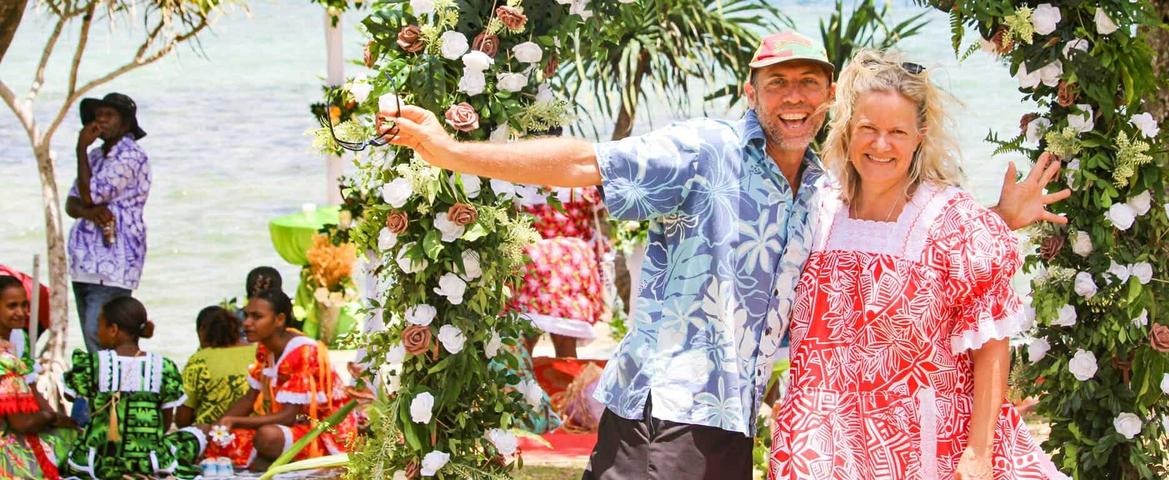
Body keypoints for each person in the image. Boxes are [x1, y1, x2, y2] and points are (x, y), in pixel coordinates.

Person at [383, 31, 1068, 480]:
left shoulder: (821, 193)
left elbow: (920, 262)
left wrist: (997, 224)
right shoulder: (705, 152)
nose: (793, 97)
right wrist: (455, 153)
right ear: (751, 90)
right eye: (777, 83)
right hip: (666, 417)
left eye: (808, 83)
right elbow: (585, 163)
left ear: (828, 97)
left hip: (737, 427)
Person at [769, 50, 1064, 479]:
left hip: (924, 450)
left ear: (920, 136)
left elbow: (992, 344)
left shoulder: (952, 217)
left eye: (897, 131)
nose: (881, 144)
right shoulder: (815, 209)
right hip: (823, 448)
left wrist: (979, 454)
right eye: (868, 129)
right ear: (848, 130)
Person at [212, 289, 356, 470]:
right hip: (294, 428)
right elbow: (250, 398)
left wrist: (234, 421)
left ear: (279, 320)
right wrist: (220, 424)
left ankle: (266, 466)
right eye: (246, 315)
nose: (247, 323)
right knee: (215, 436)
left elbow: (289, 416)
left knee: (267, 437)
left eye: (256, 317)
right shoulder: (265, 349)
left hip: (323, 433)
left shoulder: (303, 352)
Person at [62, 296, 203, 479]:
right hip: (149, 463)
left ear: (113, 330)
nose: (97, 332)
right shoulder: (164, 366)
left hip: (97, 463)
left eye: (100, 325)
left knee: (63, 440)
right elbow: (166, 424)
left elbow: (70, 395)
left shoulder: (91, 364)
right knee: (194, 436)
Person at [64, 92, 151, 353]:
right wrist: (90, 212)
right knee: (93, 338)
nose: (100, 120)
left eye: (108, 115)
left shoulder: (131, 156)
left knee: (102, 337)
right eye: (98, 115)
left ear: (125, 123)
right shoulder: (94, 157)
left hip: (114, 262)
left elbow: (91, 194)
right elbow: (72, 203)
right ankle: (103, 392)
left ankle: (113, 391)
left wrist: (80, 147)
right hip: (84, 262)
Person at [512, 186, 609, 357]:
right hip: (569, 269)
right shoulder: (579, 182)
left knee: (524, 335)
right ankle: (566, 381)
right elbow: (598, 212)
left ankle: (522, 379)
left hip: (530, 268)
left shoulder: (517, 180)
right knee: (565, 340)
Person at [0, 277, 77, 478]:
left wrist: (54, 416)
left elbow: (30, 384)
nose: (21, 312)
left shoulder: (19, 339)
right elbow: (20, 422)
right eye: (12, 306)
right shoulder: (4, 358)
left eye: (24, 305)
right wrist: (49, 417)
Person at [175, 306, 257, 428]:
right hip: (255, 429)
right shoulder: (259, 352)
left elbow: (183, 420)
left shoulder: (199, 360)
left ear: (202, 331)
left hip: (212, 435)